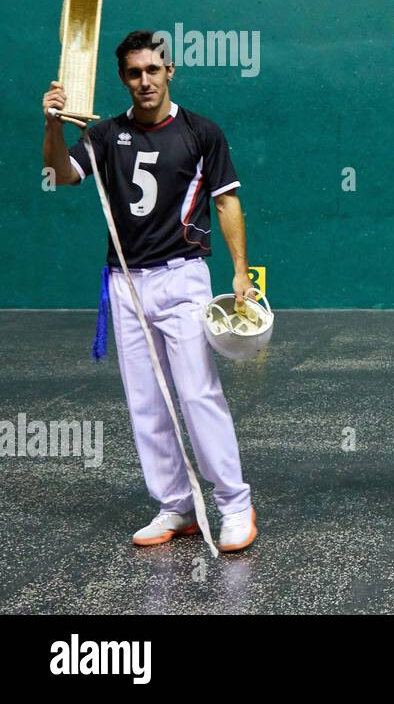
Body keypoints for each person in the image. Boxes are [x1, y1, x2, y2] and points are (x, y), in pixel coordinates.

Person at [41, 30, 257, 552]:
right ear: (123, 78)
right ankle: (176, 505)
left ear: (170, 71)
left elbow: (226, 203)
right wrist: (52, 123)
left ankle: (234, 505)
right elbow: (59, 172)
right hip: (125, 284)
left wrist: (241, 272)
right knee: (147, 401)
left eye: (153, 70)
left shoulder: (202, 132)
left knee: (198, 392)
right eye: (134, 73)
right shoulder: (102, 134)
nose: (145, 81)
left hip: (184, 277)